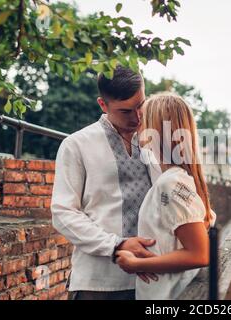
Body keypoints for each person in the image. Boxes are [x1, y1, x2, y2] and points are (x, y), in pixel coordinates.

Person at [51, 66, 161, 300]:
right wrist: (117, 246)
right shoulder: (76, 145)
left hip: (155, 281)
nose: (137, 117)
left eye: (141, 105)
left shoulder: (156, 142)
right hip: (97, 284)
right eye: (125, 111)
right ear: (103, 105)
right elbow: (63, 213)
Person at [115, 93, 216, 300]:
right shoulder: (177, 179)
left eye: (143, 120)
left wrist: (136, 264)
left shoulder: (171, 183)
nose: (137, 126)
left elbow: (200, 253)